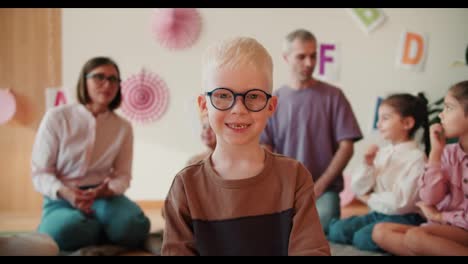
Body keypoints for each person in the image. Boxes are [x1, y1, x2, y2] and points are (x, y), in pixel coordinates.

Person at [161, 37, 330, 256]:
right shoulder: (186, 185)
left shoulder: (295, 177)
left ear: (271, 106)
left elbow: (311, 251)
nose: (239, 109)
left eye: (253, 96)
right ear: (204, 105)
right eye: (222, 95)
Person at [31, 57, 150, 251]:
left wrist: (106, 190)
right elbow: (40, 173)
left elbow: (123, 175)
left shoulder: (123, 127)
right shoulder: (57, 117)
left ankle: (100, 225)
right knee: (62, 232)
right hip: (61, 197)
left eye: (113, 79)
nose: (107, 84)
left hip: (104, 196)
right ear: (83, 81)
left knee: (134, 227)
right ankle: (101, 228)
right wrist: (67, 193)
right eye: (99, 77)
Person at [260, 29, 363, 232]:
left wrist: (320, 185)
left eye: (313, 55)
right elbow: (265, 147)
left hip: (324, 192)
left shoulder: (334, 96)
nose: (309, 63)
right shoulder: (273, 101)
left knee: (316, 233)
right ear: (286, 58)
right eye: (301, 56)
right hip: (283, 190)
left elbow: (347, 147)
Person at [372, 81, 468, 256]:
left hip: (461, 230)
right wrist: (436, 153)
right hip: (444, 228)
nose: (441, 114)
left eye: (449, 108)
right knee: (380, 231)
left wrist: (440, 217)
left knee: (415, 237)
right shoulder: (448, 152)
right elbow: (429, 198)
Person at [327, 93, 430, 252]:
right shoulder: (382, 152)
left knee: (363, 238)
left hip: (404, 217)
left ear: (407, 123)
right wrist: (367, 165)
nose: (378, 123)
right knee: (337, 230)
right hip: (377, 213)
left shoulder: (417, 158)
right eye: (379, 118)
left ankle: (406, 237)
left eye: (385, 118)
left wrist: (369, 198)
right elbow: (358, 188)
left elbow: (401, 203)